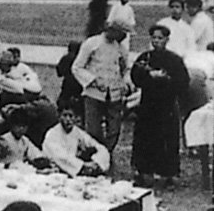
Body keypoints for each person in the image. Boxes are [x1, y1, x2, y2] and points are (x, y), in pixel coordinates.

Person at [130, 24, 190, 187]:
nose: (156, 41)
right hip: (148, 106)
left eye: (160, 38)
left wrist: (166, 79)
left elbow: (183, 82)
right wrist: (149, 75)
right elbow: (135, 76)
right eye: (154, 38)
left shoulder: (174, 60)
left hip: (167, 106)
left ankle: (168, 173)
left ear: (166, 40)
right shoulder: (144, 57)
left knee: (167, 140)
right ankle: (144, 171)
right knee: (145, 138)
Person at [72, 23, 131, 151]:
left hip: (115, 94)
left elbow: (126, 69)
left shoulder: (121, 48)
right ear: (111, 30)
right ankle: (94, 154)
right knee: (93, 129)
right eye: (121, 33)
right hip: (94, 94)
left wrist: (126, 82)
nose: (123, 36)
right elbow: (77, 67)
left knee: (114, 129)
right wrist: (93, 80)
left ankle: (107, 153)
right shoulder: (92, 43)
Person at [42, 98, 110, 176]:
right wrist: (83, 165)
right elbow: (61, 157)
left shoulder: (77, 132)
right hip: (57, 169)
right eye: (65, 115)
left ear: (75, 117)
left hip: (75, 169)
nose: (68, 119)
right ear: (59, 116)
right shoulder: (52, 134)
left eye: (71, 116)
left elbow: (96, 145)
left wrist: (97, 162)